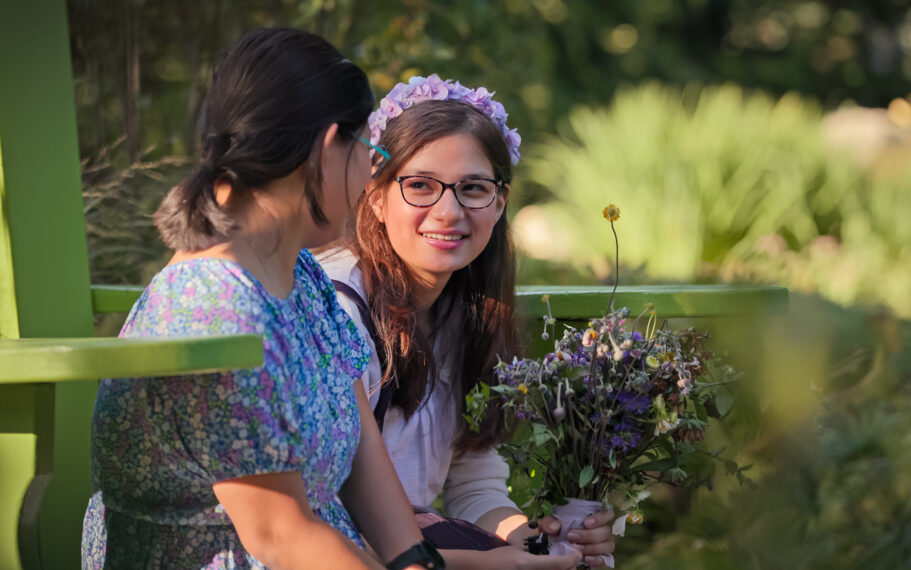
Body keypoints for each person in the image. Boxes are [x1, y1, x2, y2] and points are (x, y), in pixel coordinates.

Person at [82, 28, 439, 570]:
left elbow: (364, 444)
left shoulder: (302, 275)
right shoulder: (212, 308)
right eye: (368, 150)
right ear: (327, 149)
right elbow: (278, 533)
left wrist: (416, 560)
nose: (371, 176)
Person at [316, 75, 615, 569]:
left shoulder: (465, 314)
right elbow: (311, 523)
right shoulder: (338, 311)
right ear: (375, 195)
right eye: (420, 186)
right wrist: (490, 563)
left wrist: (539, 542)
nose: (448, 212)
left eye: (472, 189)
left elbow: (474, 483)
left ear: (499, 203)